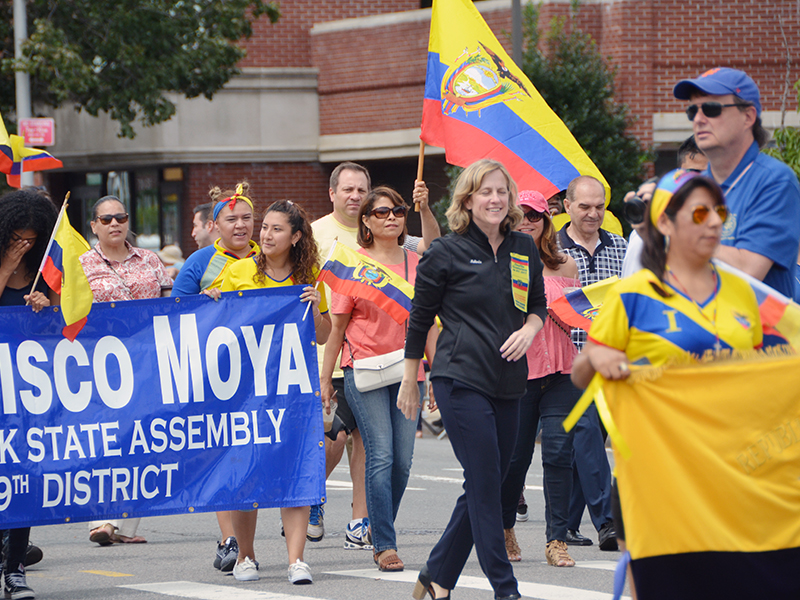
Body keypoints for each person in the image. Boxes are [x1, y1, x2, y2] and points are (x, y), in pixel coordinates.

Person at [571, 169, 763, 598]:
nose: (713, 221)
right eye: (698, 212)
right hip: (651, 468)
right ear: (666, 223)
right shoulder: (636, 293)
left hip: (724, 468)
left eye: (718, 211)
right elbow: (580, 372)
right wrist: (598, 356)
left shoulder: (743, 295)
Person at [398, 159, 547, 600]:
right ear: (467, 200)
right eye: (486, 192)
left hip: (509, 383)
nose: (496, 199)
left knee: (489, 482)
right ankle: (506, 589)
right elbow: (419, 319)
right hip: (459, 379)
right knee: (485, 482)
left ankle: (438, 576)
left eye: (502, 191)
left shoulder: (524, 247)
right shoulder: (445, 251)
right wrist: (413, 379)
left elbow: (538, 304)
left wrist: (529, 329)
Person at [311, 161, 438, 549]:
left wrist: (437, 375)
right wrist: (325, 383)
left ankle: (380, 526)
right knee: (380, 456)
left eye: (397, 211)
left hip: (408, 372)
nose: (392, 218)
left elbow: (428, 324)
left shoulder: (417, 262)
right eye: (381, 212)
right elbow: (336, 330)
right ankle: (384, 544)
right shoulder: (354, 265)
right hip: (362, 370)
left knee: (402, 463)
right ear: (366, 221)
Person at [220, 199, 331, 584]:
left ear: (296, 236)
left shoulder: (310, 275)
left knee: (294, 469)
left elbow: (323, 334)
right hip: (245, 391)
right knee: (245, 471)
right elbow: (214, 326)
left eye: (276, 229)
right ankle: (246, 556)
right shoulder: (237, 271)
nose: (265, 235)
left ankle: (296, 559)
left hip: (291, 391)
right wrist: (214, 303)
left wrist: (317, 308)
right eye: (263, 227)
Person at [171, 183, 258, 571]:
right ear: (215, 225)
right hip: (214, 376)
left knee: (253, 458)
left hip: (263, 376)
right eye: (231, 219)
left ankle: (249, 543)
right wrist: (201, 307)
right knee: (224, 456)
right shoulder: (200, 261)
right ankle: (230, 539)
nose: (240, 226)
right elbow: (173, 310)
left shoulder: (270, 257)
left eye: (246, 218)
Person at [79, 195, 172, 546]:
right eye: (106, 219)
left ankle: (124, 526)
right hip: (102, 362)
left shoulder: (149, 259)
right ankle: (102, 521)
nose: (115, 224)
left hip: (149, 359)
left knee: (144, 439)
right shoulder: (82, 263)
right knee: (107, 438)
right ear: (94, 226)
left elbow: (171, 304)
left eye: (120, 217)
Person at [499, 191, 581, 568]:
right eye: (520, 215)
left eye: (535, 215)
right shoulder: (500, 264)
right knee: (516, 459)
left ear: (547, 220)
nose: (527, 221)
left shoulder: (566, 266)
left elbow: (579, 317)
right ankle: (504, 526)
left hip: (564, 371)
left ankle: (556, 539)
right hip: (521, 373)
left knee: (559, 452)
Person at [673, 67, 800, 299]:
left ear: (748, 117)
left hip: (758, 333)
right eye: (693, 110)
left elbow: (748, 270)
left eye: (711, 109)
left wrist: (679, 232)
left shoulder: (775, 181)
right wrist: (649, 230)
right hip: (703, 331)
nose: (699, 119)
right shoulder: (694, 187)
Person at [558, 176, 625, 550]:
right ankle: (607, 521)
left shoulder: (621, 247)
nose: (593, 213)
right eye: (584, 206)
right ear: (567, 206)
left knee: (590, 444)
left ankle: (567, 523)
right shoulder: (551, 249)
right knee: (586, 436)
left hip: (614, 363)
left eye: (599, 206)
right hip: (571, 364)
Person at [0, 189, 59, 600]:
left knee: (25, 479)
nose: (25, 243)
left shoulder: (48, 268)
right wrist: (8, 264)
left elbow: (65, 324)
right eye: (17, 236)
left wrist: (47, 304)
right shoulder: (6, 259)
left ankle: (15, 567)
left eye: (32, 238)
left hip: (30, 394)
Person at [621, 137, 708, 279]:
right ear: (678, 174)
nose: (703, 182)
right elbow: (633, 292)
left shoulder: (736, 220)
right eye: (693, 173)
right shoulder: (648, 231)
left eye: (711, 174)